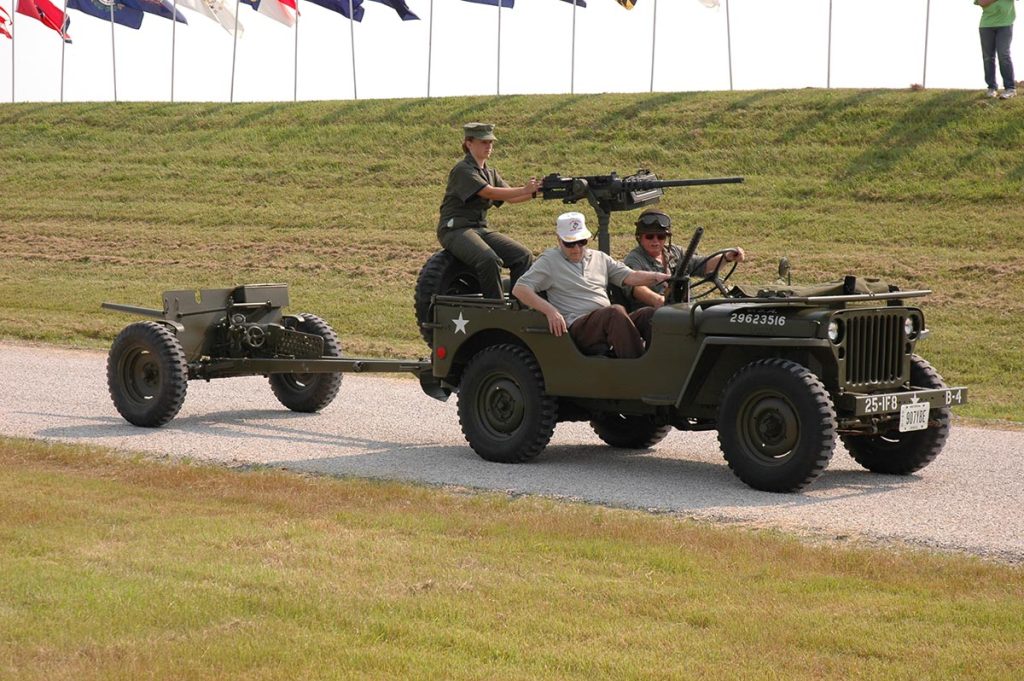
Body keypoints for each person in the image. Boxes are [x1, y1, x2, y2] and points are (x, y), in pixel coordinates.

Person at [511, 212, 671, 359]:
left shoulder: (599, 258)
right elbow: (520, 289)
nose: (576, 249)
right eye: (569, 243)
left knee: (650, 315)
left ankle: (660, 362)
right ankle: (639, 370)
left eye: (581, 242)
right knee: (614, 312)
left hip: (606, 322)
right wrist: (550, 311)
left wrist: (659, 277)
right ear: (558, 239)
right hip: (579, 327)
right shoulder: (549, 261)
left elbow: (631, 276)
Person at [437, 122, 542, 301]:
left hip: (479, 228)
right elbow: (489, 192)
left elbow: (511, 198)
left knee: (522, 256)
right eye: (483, 142)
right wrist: (525, 189)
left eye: (491, 142)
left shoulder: (489, 172)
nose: (489, 146)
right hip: (455, 229)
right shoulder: (463, 170)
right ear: (469, 143)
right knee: (489, 260)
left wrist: (539, 191)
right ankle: (496, 307)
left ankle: (520, 305)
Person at [621, 209, 745, 311]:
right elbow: (635, 287)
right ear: (639, 238)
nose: (655, 241)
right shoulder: (635, 259)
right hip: (653, 315)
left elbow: (702, 264)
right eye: (649, 237)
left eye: (661, 236)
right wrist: (658, 300)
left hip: (685, 310)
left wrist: (727, 257)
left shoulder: (674, 252)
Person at [976, 0, 1017, 99]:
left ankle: (1010, 88)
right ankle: (992, 88)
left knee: (1004, 55)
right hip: (986, 25)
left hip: (1005, 24)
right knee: (988, 57)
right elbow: (982, 2)